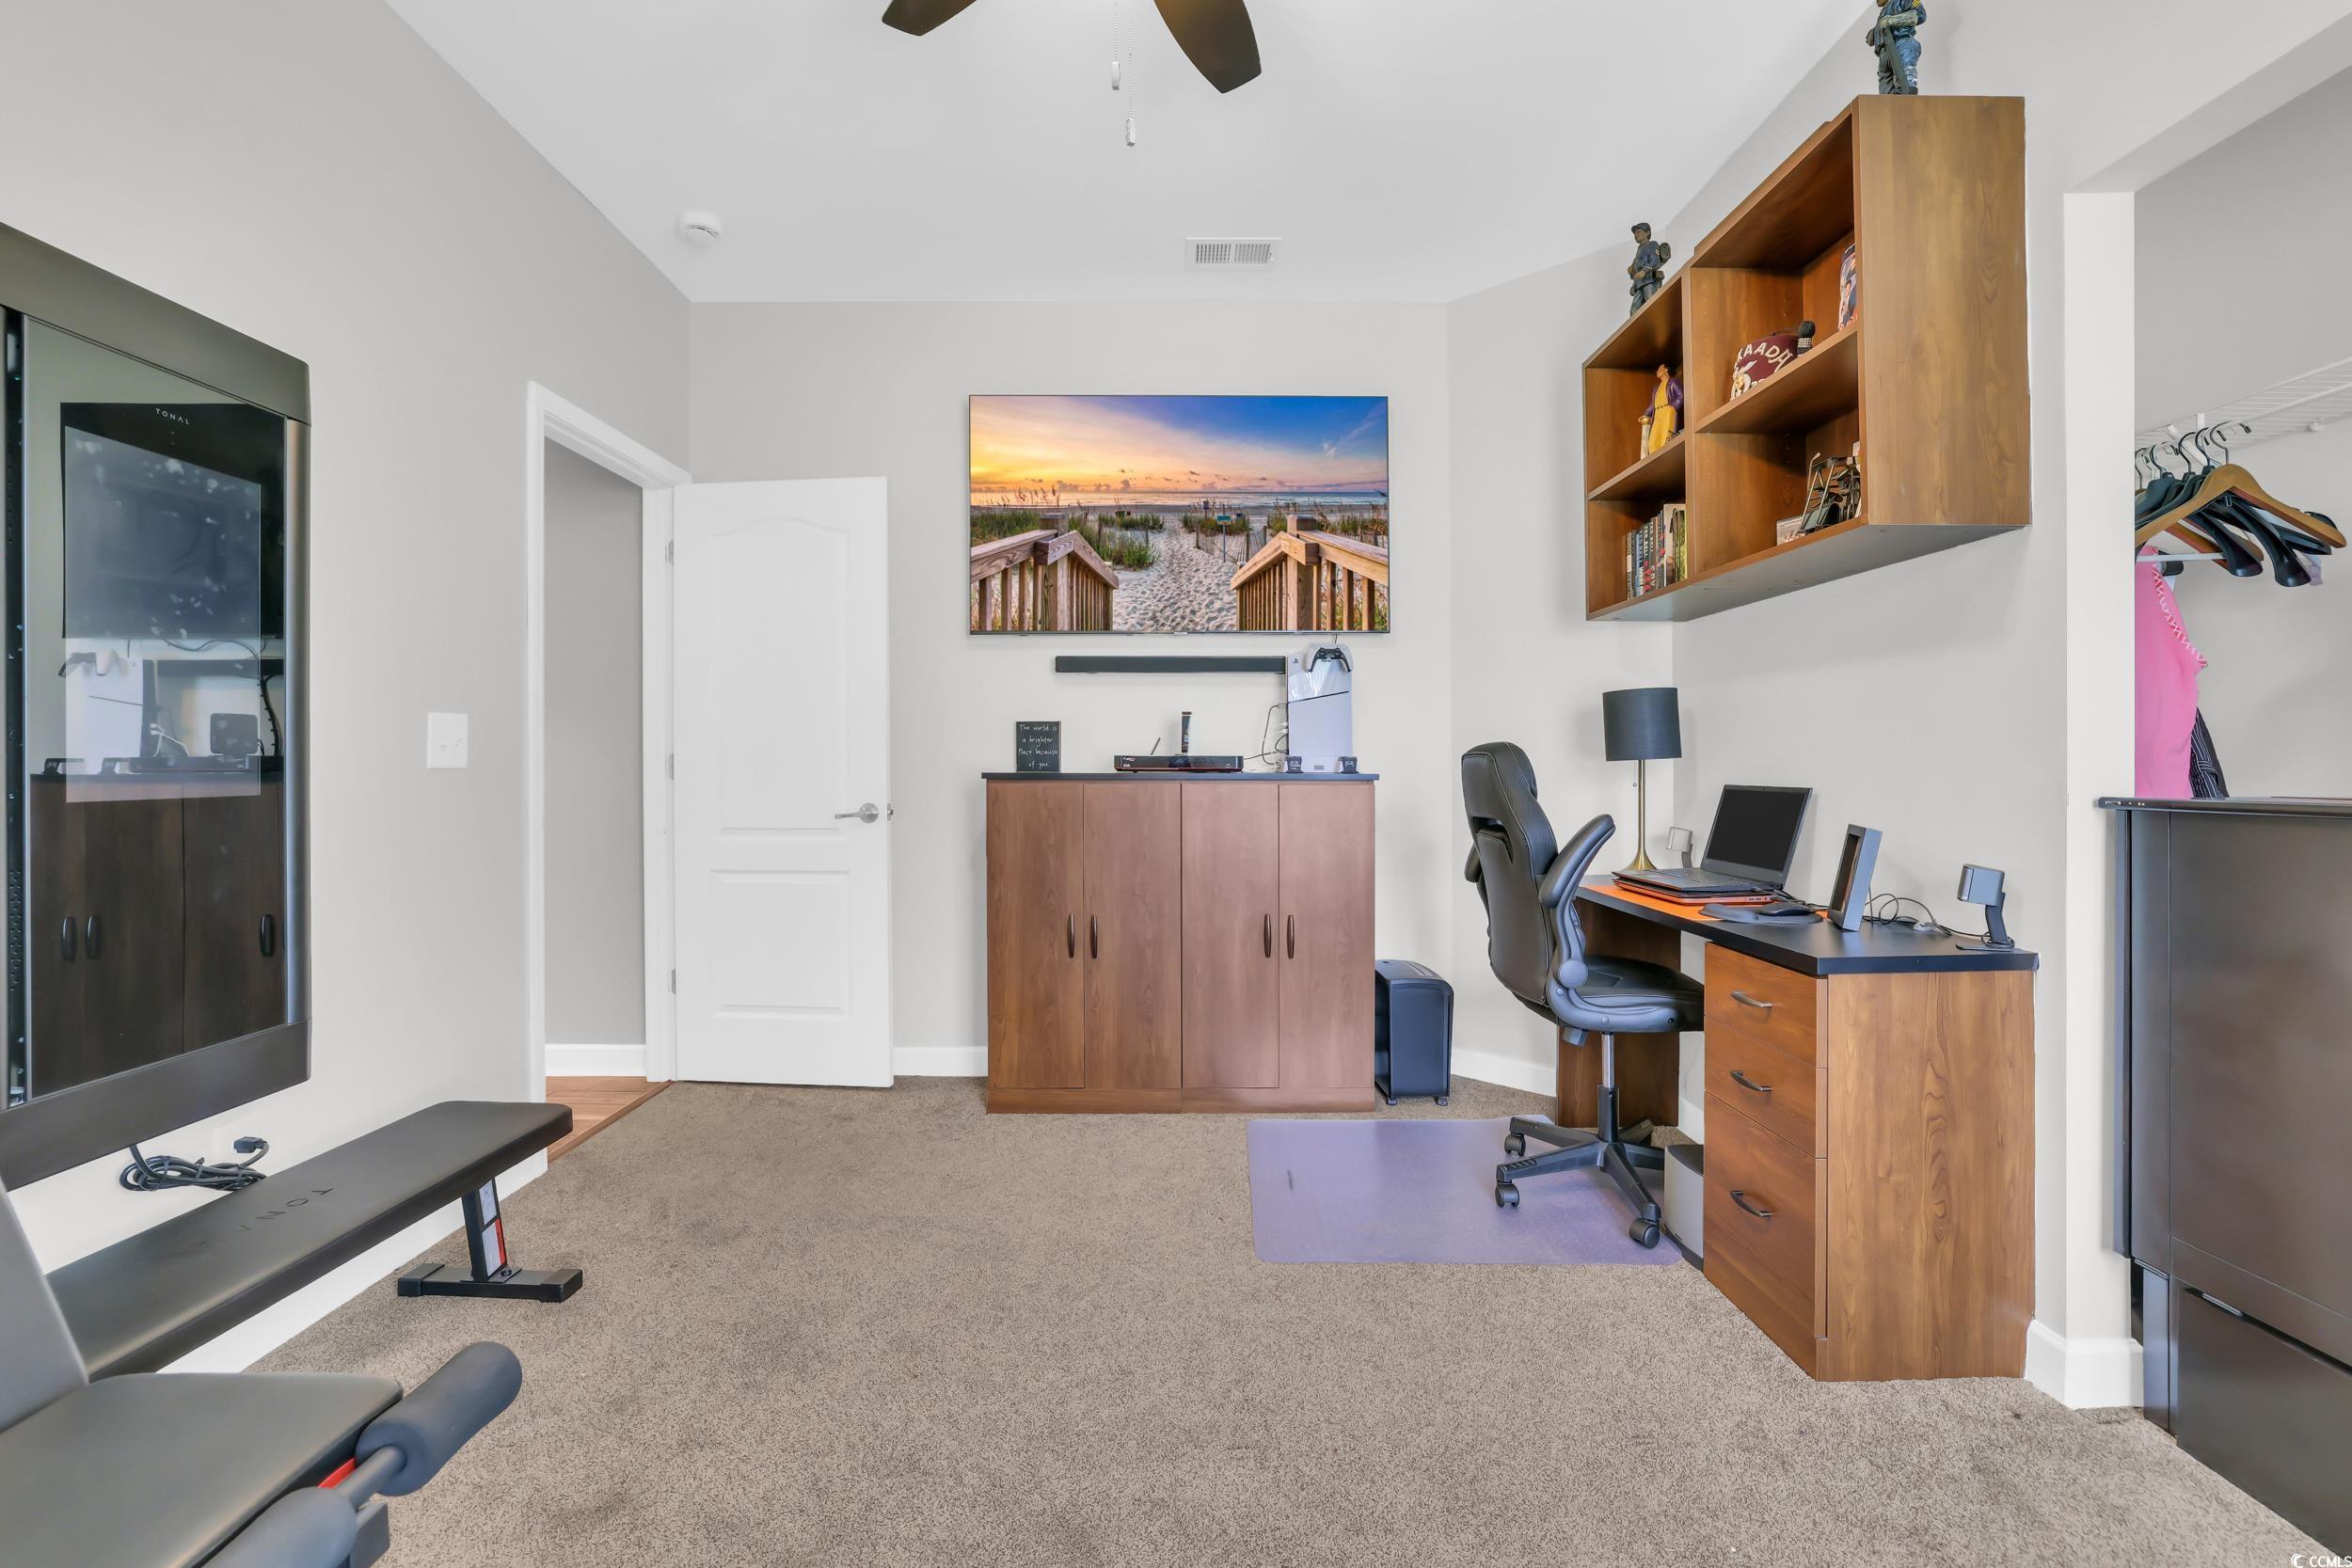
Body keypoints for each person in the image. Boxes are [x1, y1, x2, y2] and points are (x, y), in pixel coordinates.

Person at [1866, 1, 1926, 95]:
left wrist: (1892, 20)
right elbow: (1877, 31)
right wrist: (1873, 33)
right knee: (1885, 98)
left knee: (1906, 88)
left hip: (1902, 46)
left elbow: (1921, 15)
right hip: (1884, 54)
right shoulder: (1884, 11)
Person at [1628, 223, 1670, 316]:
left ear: (1647, 233)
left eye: (1638, 232)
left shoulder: (1652, 244)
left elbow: (1655, 260)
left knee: (1651, 304)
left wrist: (1645, 271)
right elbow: (1635, 272)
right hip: (1638, 285)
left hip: (1649, 281)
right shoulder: (1638, 252)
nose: (1636, 235)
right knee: (1633, 310)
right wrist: (1631, 270)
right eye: (1635, 233)